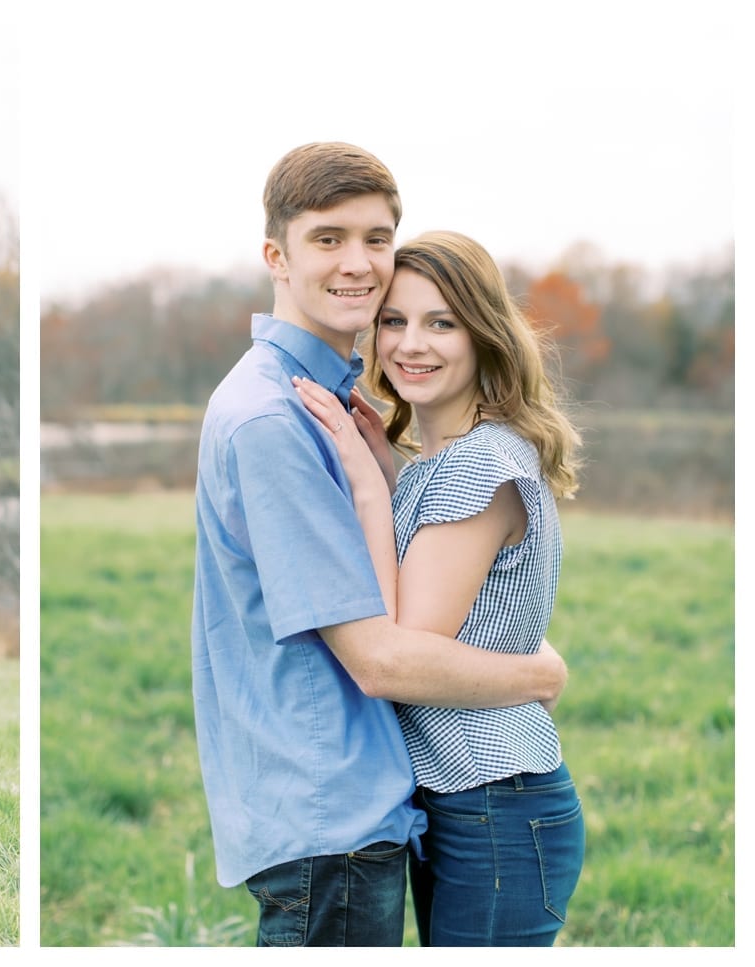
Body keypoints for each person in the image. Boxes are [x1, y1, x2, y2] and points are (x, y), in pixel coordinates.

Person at [190, 142, 569, 947]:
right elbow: (382, 656)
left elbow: (427, 598)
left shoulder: (332, 409)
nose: (358, 263)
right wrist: (536, 669)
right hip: (332, 812)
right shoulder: (276, 416)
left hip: (394, 805)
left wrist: (379, 478)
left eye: (376, 238)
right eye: (328, 238)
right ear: (277, 255)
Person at [294, 230, 584, 945]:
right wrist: (389, 469)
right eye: (393, 321)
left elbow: (403, 648)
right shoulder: (451, 457)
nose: (410, 343)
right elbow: (462, 596)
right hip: (478, 802)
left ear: (483, 333)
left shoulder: (476, 464)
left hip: (494, 803)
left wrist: (366, 485)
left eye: (441, 322)